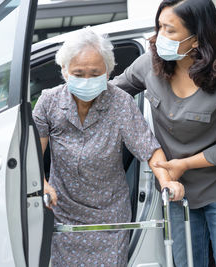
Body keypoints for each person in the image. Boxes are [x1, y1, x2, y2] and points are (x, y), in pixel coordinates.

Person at [112, 0, 216, 266]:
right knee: (186, 262)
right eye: (160, 27)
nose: (160, 38)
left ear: (196, 39)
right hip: (177, 190)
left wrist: (185, 164)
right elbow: (111, 96)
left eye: (170, 31)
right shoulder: (148, 64)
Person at [32, 28, 184, 266]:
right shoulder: (48, 102)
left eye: (95, 73)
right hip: (65, 212)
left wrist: (166, 181)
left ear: (108, 72)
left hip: (110, 215)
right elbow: (31, 154)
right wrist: (41, 185)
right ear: (64, 71)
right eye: (78, 73)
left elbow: (149, 148)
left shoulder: (120, 102)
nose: (86, 80)